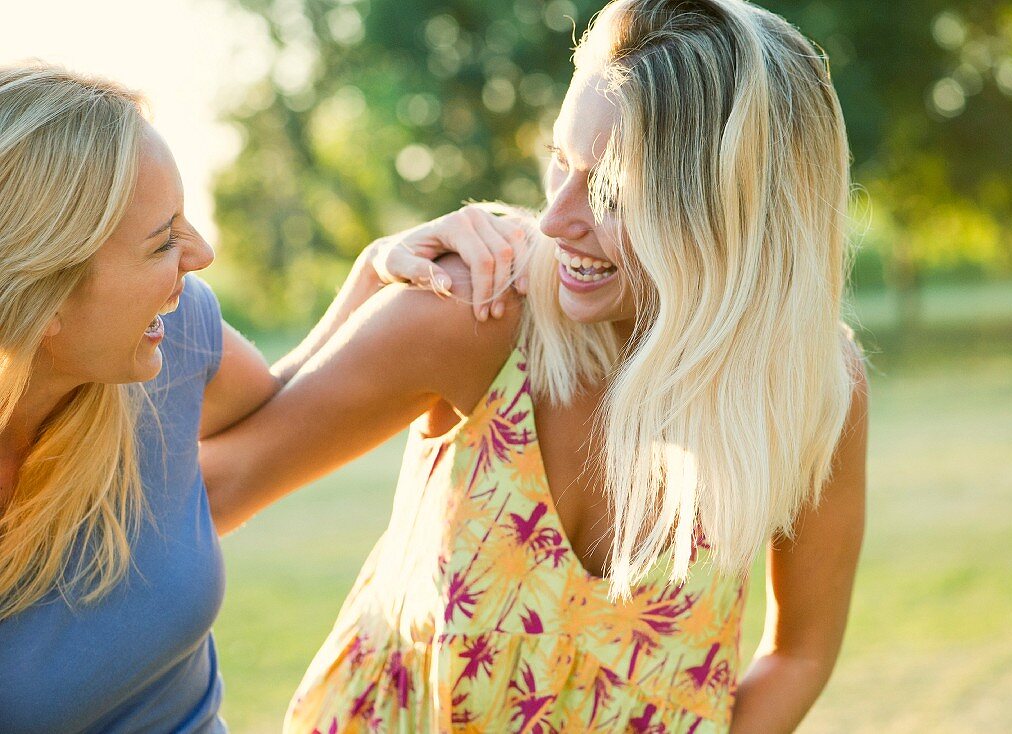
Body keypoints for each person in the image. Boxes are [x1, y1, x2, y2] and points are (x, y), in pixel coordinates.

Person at [202, 0, 870, 731]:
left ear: (730, 212)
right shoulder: (476, 311)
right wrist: (368, 280)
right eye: (561, 163)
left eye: (610, 191)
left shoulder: (810, 386)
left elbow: (801, 650)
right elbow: (216, 492)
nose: (556, 219)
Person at [0, 62, 520, 733]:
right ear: (43, 303)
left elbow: (283, 407)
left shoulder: (170, 336)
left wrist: (375, 274)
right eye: (163, 243)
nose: (203, 254)